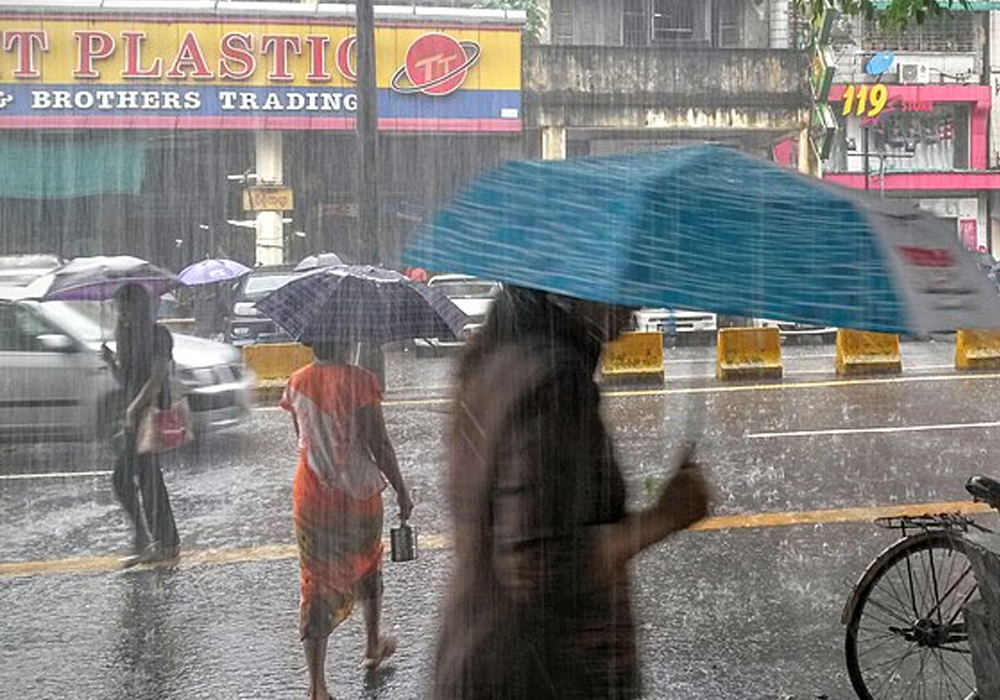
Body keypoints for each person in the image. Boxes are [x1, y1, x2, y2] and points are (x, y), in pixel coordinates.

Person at [434, 286, 712, 700]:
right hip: (536, 673)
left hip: (486, 658)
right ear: (571, 290)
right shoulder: (554, 385)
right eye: (621, 284)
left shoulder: (498, 360)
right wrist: (667, 516)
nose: (635, 301)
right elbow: (534, 563)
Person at [280, 340, 414, 700]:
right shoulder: (362, 382)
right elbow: (379, 445)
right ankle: (372, 645)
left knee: (316, 580)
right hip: (359, 495)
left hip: (311, 497)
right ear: (348, 337)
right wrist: (402, 490)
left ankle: (317, 685)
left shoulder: (295, 382)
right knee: (368, 564)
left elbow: (303, 439)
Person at [102, 283, 180, 566]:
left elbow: (157, 378)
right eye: (119, 308)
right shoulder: (127, 336)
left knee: (136, 479)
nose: (122, 314)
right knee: (145, 479)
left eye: (126, 307)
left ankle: (155, 541)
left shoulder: (159, 335)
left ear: (139, 306)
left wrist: (136, 407)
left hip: (150, 414)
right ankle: (158, 541)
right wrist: (111, 362)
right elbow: (127, 380)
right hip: (133, 416)